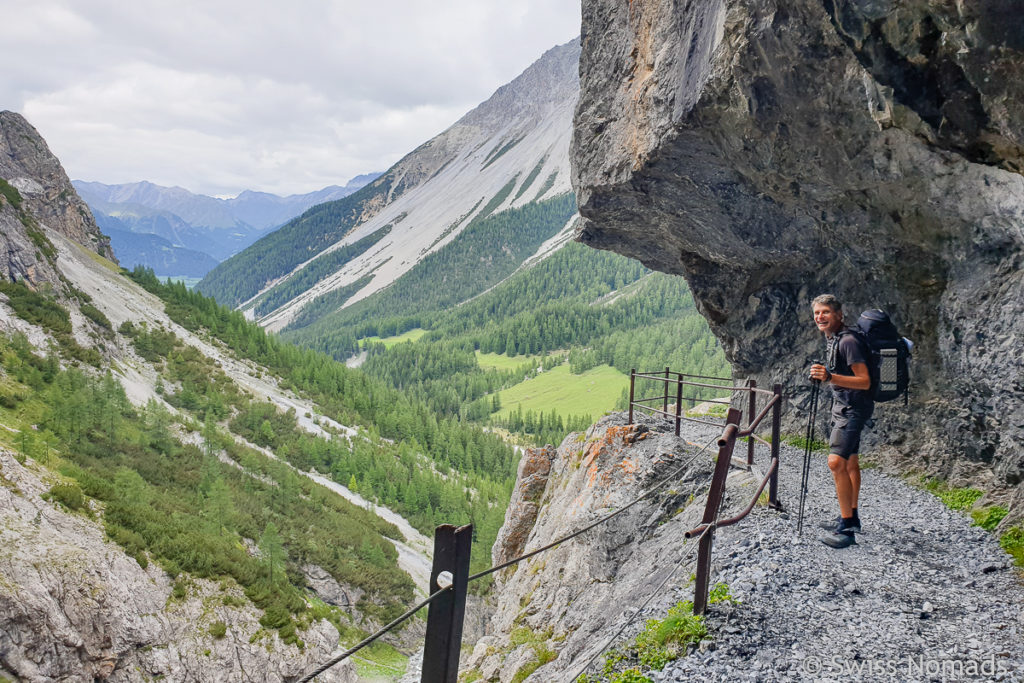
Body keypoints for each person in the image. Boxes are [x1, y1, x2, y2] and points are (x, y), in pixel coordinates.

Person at [808, 294, 874, 549]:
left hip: (853, 408)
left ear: (838, 314)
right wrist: (827, 377)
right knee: (851, 462)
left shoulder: (848, 341)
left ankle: (846, 529)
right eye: (816, 313)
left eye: (825, 312)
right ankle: (851, 516)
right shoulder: (835, 338)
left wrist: (829, 377)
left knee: (836, 462)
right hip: (846, 405)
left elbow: (865, 381)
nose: (820, 317)